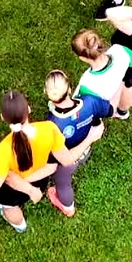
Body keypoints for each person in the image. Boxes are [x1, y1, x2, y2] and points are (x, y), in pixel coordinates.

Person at [0, 91, 103, 233]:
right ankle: (20, 224)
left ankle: (20, 226)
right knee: (17, 200)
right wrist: (90, 138)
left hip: (12, 191)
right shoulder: (50, 129)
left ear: (3, 118)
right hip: (39, 180)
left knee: (8, 207)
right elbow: (66, 159)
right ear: (29, 109)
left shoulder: (2, 150)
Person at [42, 70, 113, 217]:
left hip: (67, 163)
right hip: (85, 152)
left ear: (46, 93)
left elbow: (64, 158)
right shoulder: (90, 101)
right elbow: (108, 110)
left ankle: (68, 208)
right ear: (69, 89)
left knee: (62, 184)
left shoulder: (52, 124)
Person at [70, 28, 132, 118]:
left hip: (109, 106)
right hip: (126, 92)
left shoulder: (86, 84)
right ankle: (123, 111)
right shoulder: (119, 50)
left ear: (82, 58)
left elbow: (91, 108)